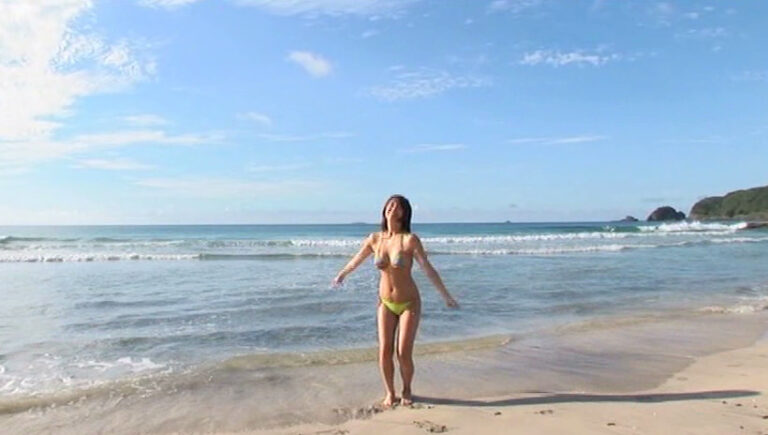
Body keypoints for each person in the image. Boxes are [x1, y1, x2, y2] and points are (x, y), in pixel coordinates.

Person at [332, 194, 458, 407]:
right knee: (384, 350)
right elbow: (357, 259)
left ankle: (407, 389)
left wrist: (446, 295)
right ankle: (390, 393)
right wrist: (342, 274)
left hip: (409, 303)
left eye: (398, 206)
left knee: (403, 352)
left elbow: (428, 269)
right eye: (390, 204)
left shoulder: (410, 240)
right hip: (385, 302)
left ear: (404, 213)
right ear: (384, 209)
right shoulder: (375, 239)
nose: (392, 208)